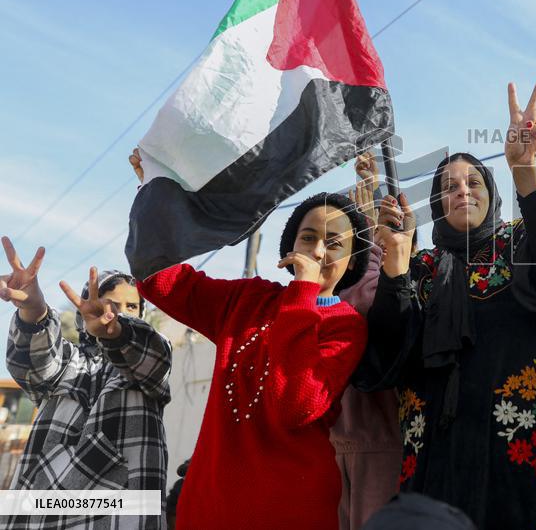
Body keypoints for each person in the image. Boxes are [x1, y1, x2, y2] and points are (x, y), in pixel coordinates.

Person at [354, 83, 536, 529]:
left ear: (491, 192)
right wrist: (395, 266)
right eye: (449, 187)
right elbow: (388, 355)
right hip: (443, 461)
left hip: (530, 452)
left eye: (473, 182)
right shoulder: (420, 266)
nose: (462, 191)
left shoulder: (521, 239)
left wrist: (525, 171)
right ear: (437, 204)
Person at [134, 186, 370, 529]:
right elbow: (157, 278)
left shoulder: (346, 327)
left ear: (352, 260)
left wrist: (303, 293)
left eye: (334, 244)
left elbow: (294, 405)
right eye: (308, 238)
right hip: (208, 508)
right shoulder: (247, 299)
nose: (318, 251)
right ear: (291, 247)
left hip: (290, 513)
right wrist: (154, 192)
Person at [1, 238, 171, 530]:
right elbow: (34, 364)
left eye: (132, 306)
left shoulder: (148, 355)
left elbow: (152, 357)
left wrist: (118, 333)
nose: (120, 312)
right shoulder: (70, 360)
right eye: (111, 304)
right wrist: (34, 311)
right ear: (84, 309)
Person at [332, 152, 403, 529]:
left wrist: (369, 240)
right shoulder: (338, 285)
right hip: (335, 447)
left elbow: (369, 303)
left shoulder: (401, 284)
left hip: (381, 447)